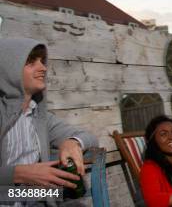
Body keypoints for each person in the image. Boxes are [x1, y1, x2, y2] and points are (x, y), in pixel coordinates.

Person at [0, 38, 98, 196]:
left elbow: (90, 138)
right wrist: (18, 174)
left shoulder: (40, 117)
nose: (43, 68)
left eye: (42, 61)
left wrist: (73, 142)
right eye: (31, 62)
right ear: (8, 69)